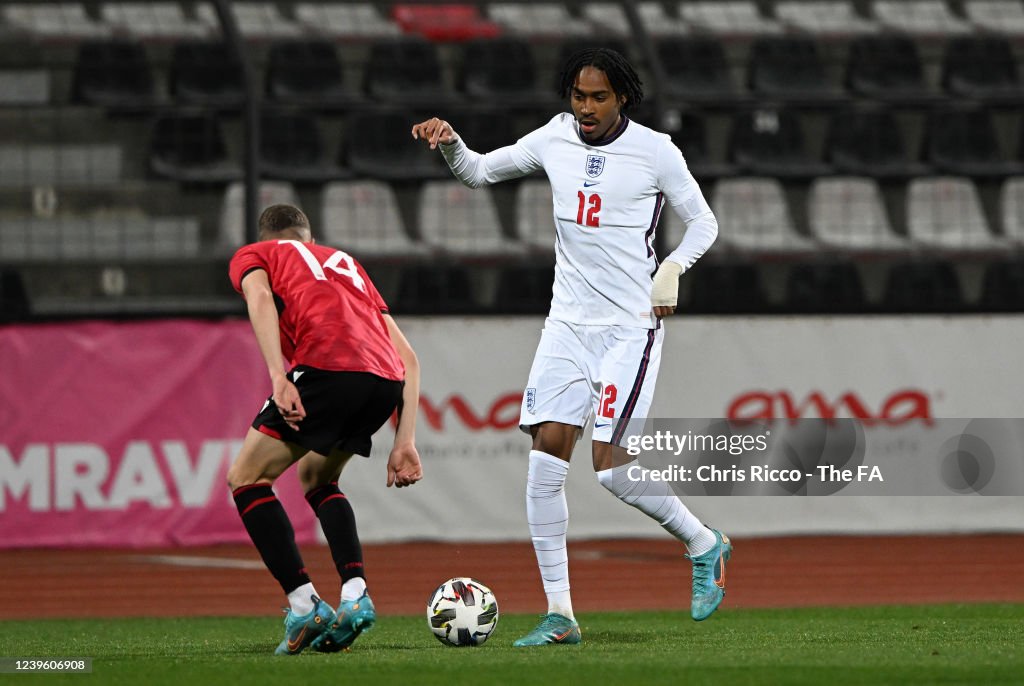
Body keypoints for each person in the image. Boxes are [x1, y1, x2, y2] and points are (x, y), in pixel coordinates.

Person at [411, 48, 730, 646]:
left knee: (609, 470)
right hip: (566, 325)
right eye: (578, 96)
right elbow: (480, 171)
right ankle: (561, 615)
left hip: (629, 326)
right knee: (542, 465)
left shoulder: (657, 150)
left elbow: (704, 223)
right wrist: (452, 141)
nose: (585, 108)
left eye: (598, 97)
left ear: (622, 98)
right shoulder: (555, 137)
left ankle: (704, 543)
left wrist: (675, 267)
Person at [226, 204, 422, 655]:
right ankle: (355, 594)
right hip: (384, 382)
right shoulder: (345, 262)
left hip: (327, 370)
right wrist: (404, 440)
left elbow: (258, 299)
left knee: (246, 479)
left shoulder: (256, 254)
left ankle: (303, 604)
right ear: (310, 241)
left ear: (268, 239)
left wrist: (279, 378)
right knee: (318, 477)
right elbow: (408, 357)